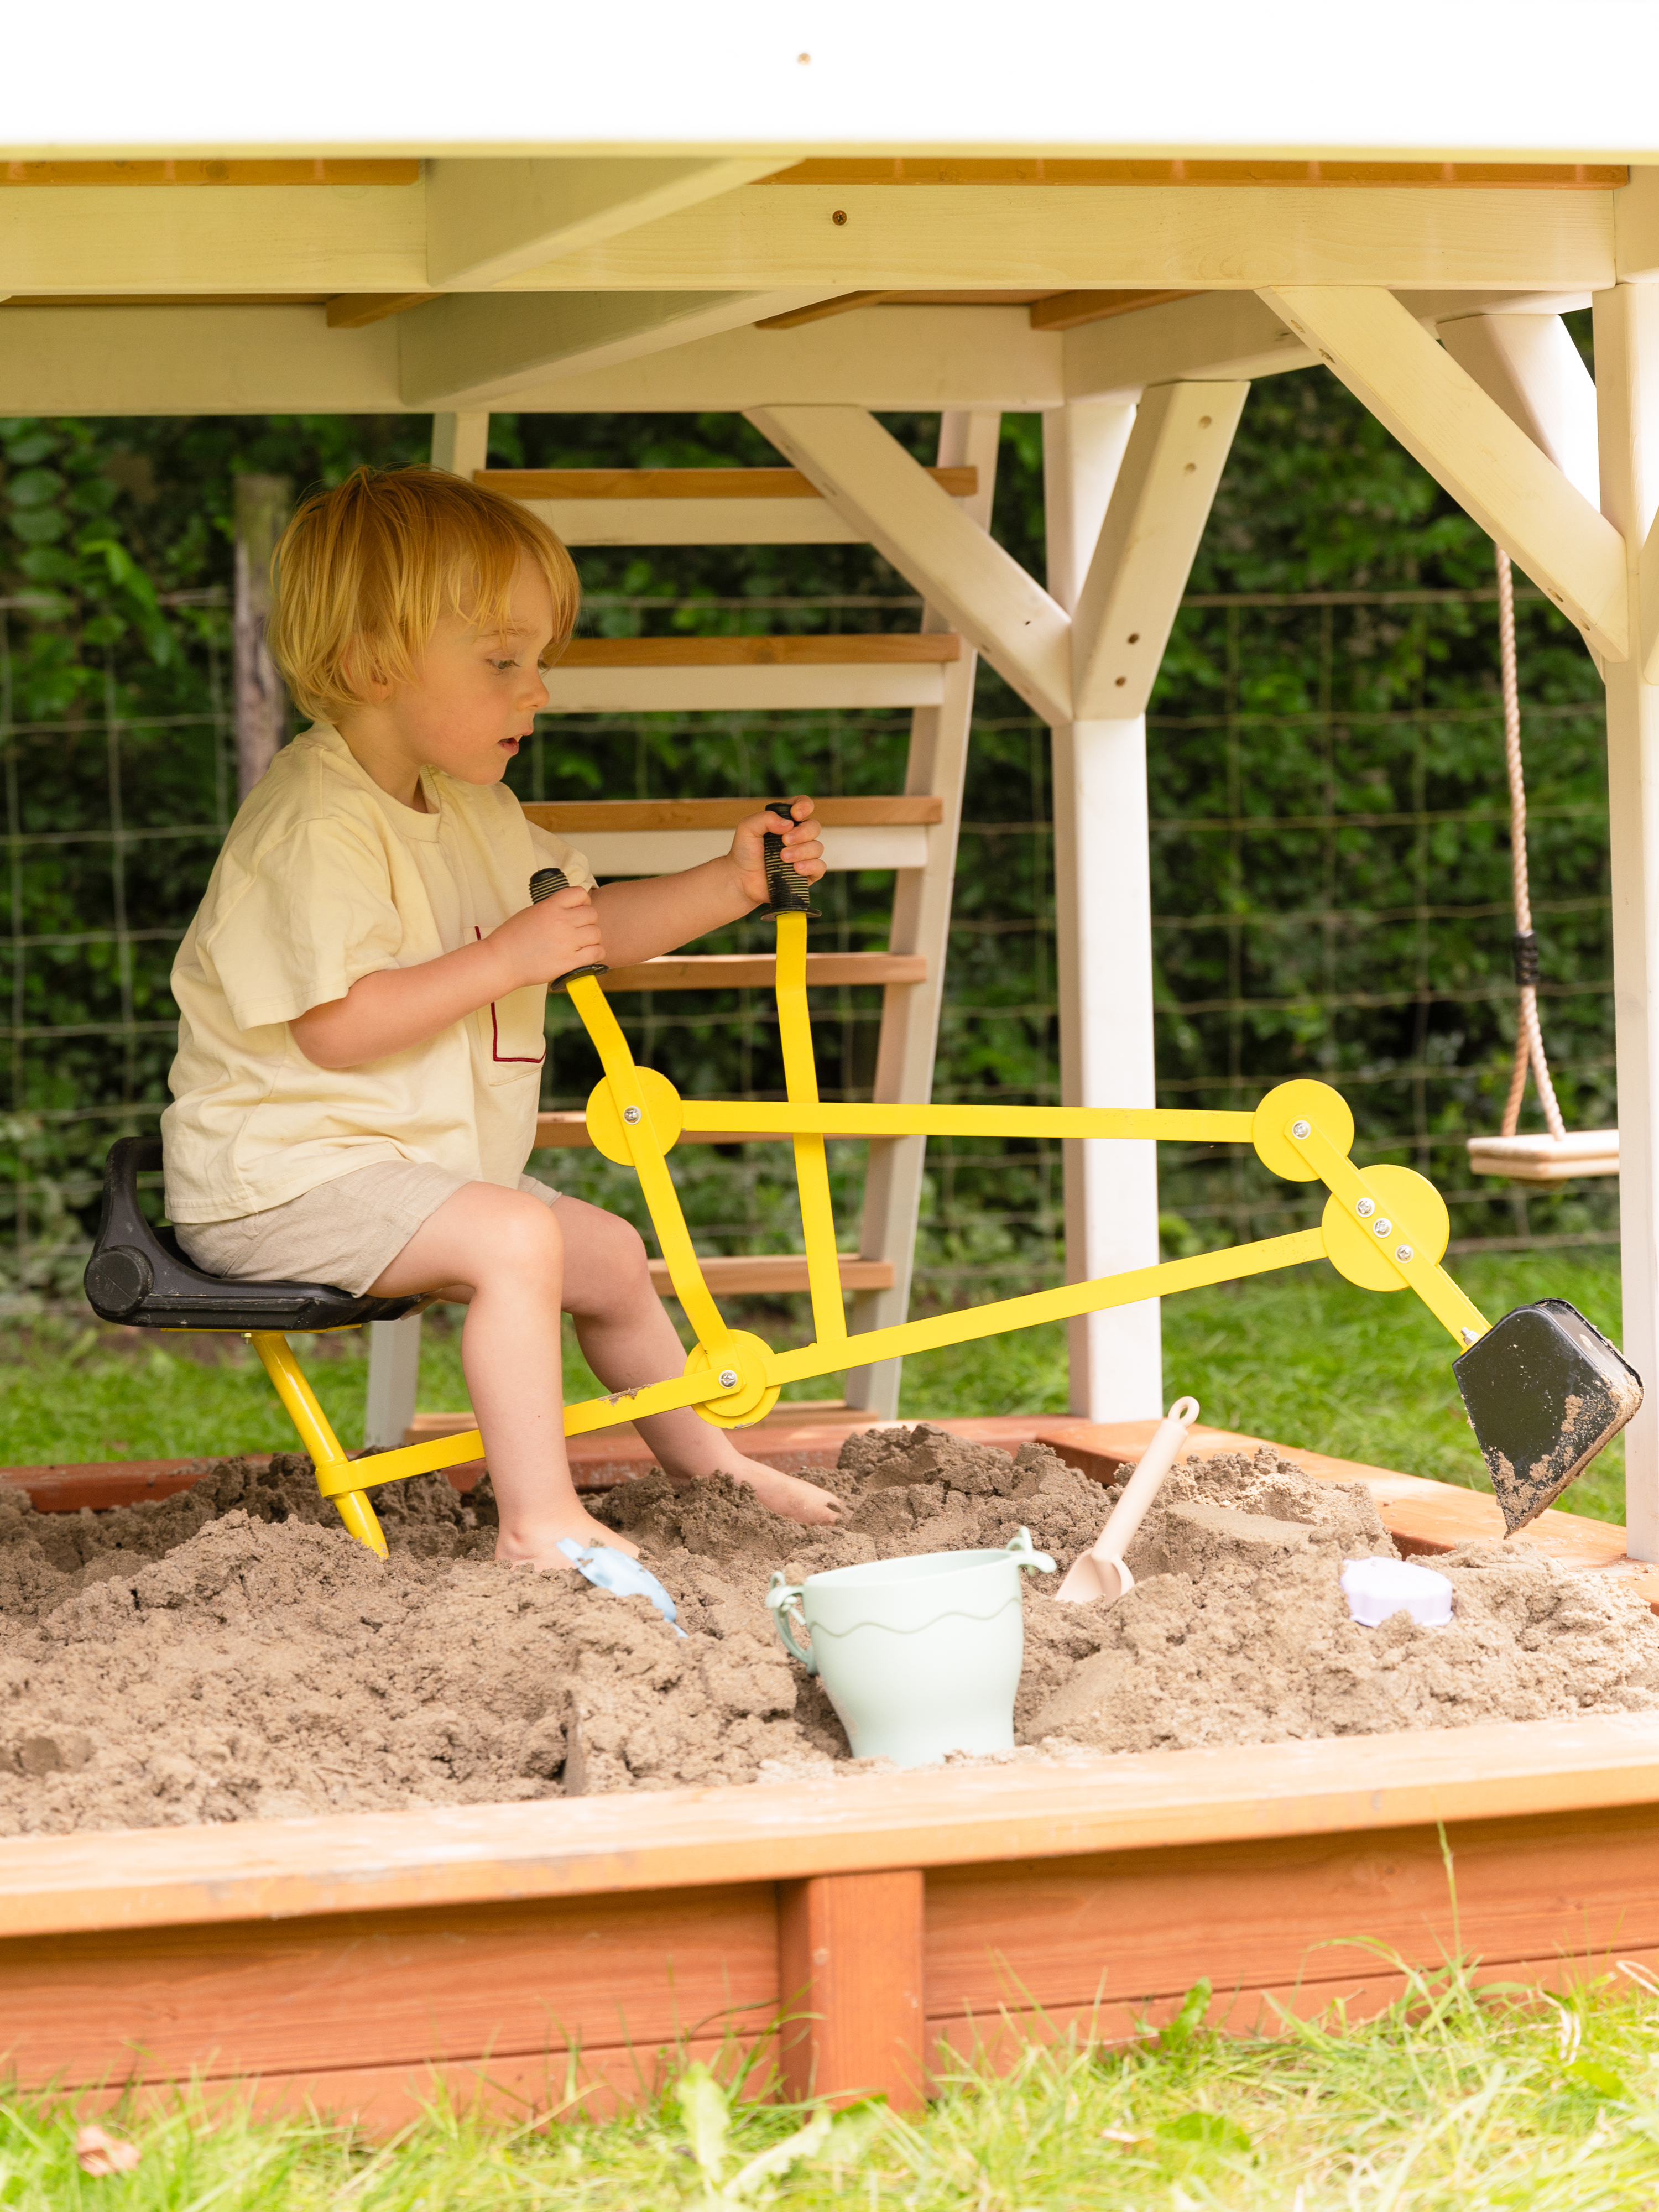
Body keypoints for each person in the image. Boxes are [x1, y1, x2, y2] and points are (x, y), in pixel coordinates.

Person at [161, 465, 843, 1569]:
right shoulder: (313, 821)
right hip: (278, 1175)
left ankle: (709, 1463)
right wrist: (498, 958)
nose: (537, 692)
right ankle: (539, 1522)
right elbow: (336, 1027)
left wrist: (732, 884)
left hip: (397, 1168)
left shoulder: (477, 809)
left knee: (611, 1254)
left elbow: (586, 928)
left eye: (539, 661)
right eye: (501, 661)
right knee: (517, 1235)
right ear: (367, 662)